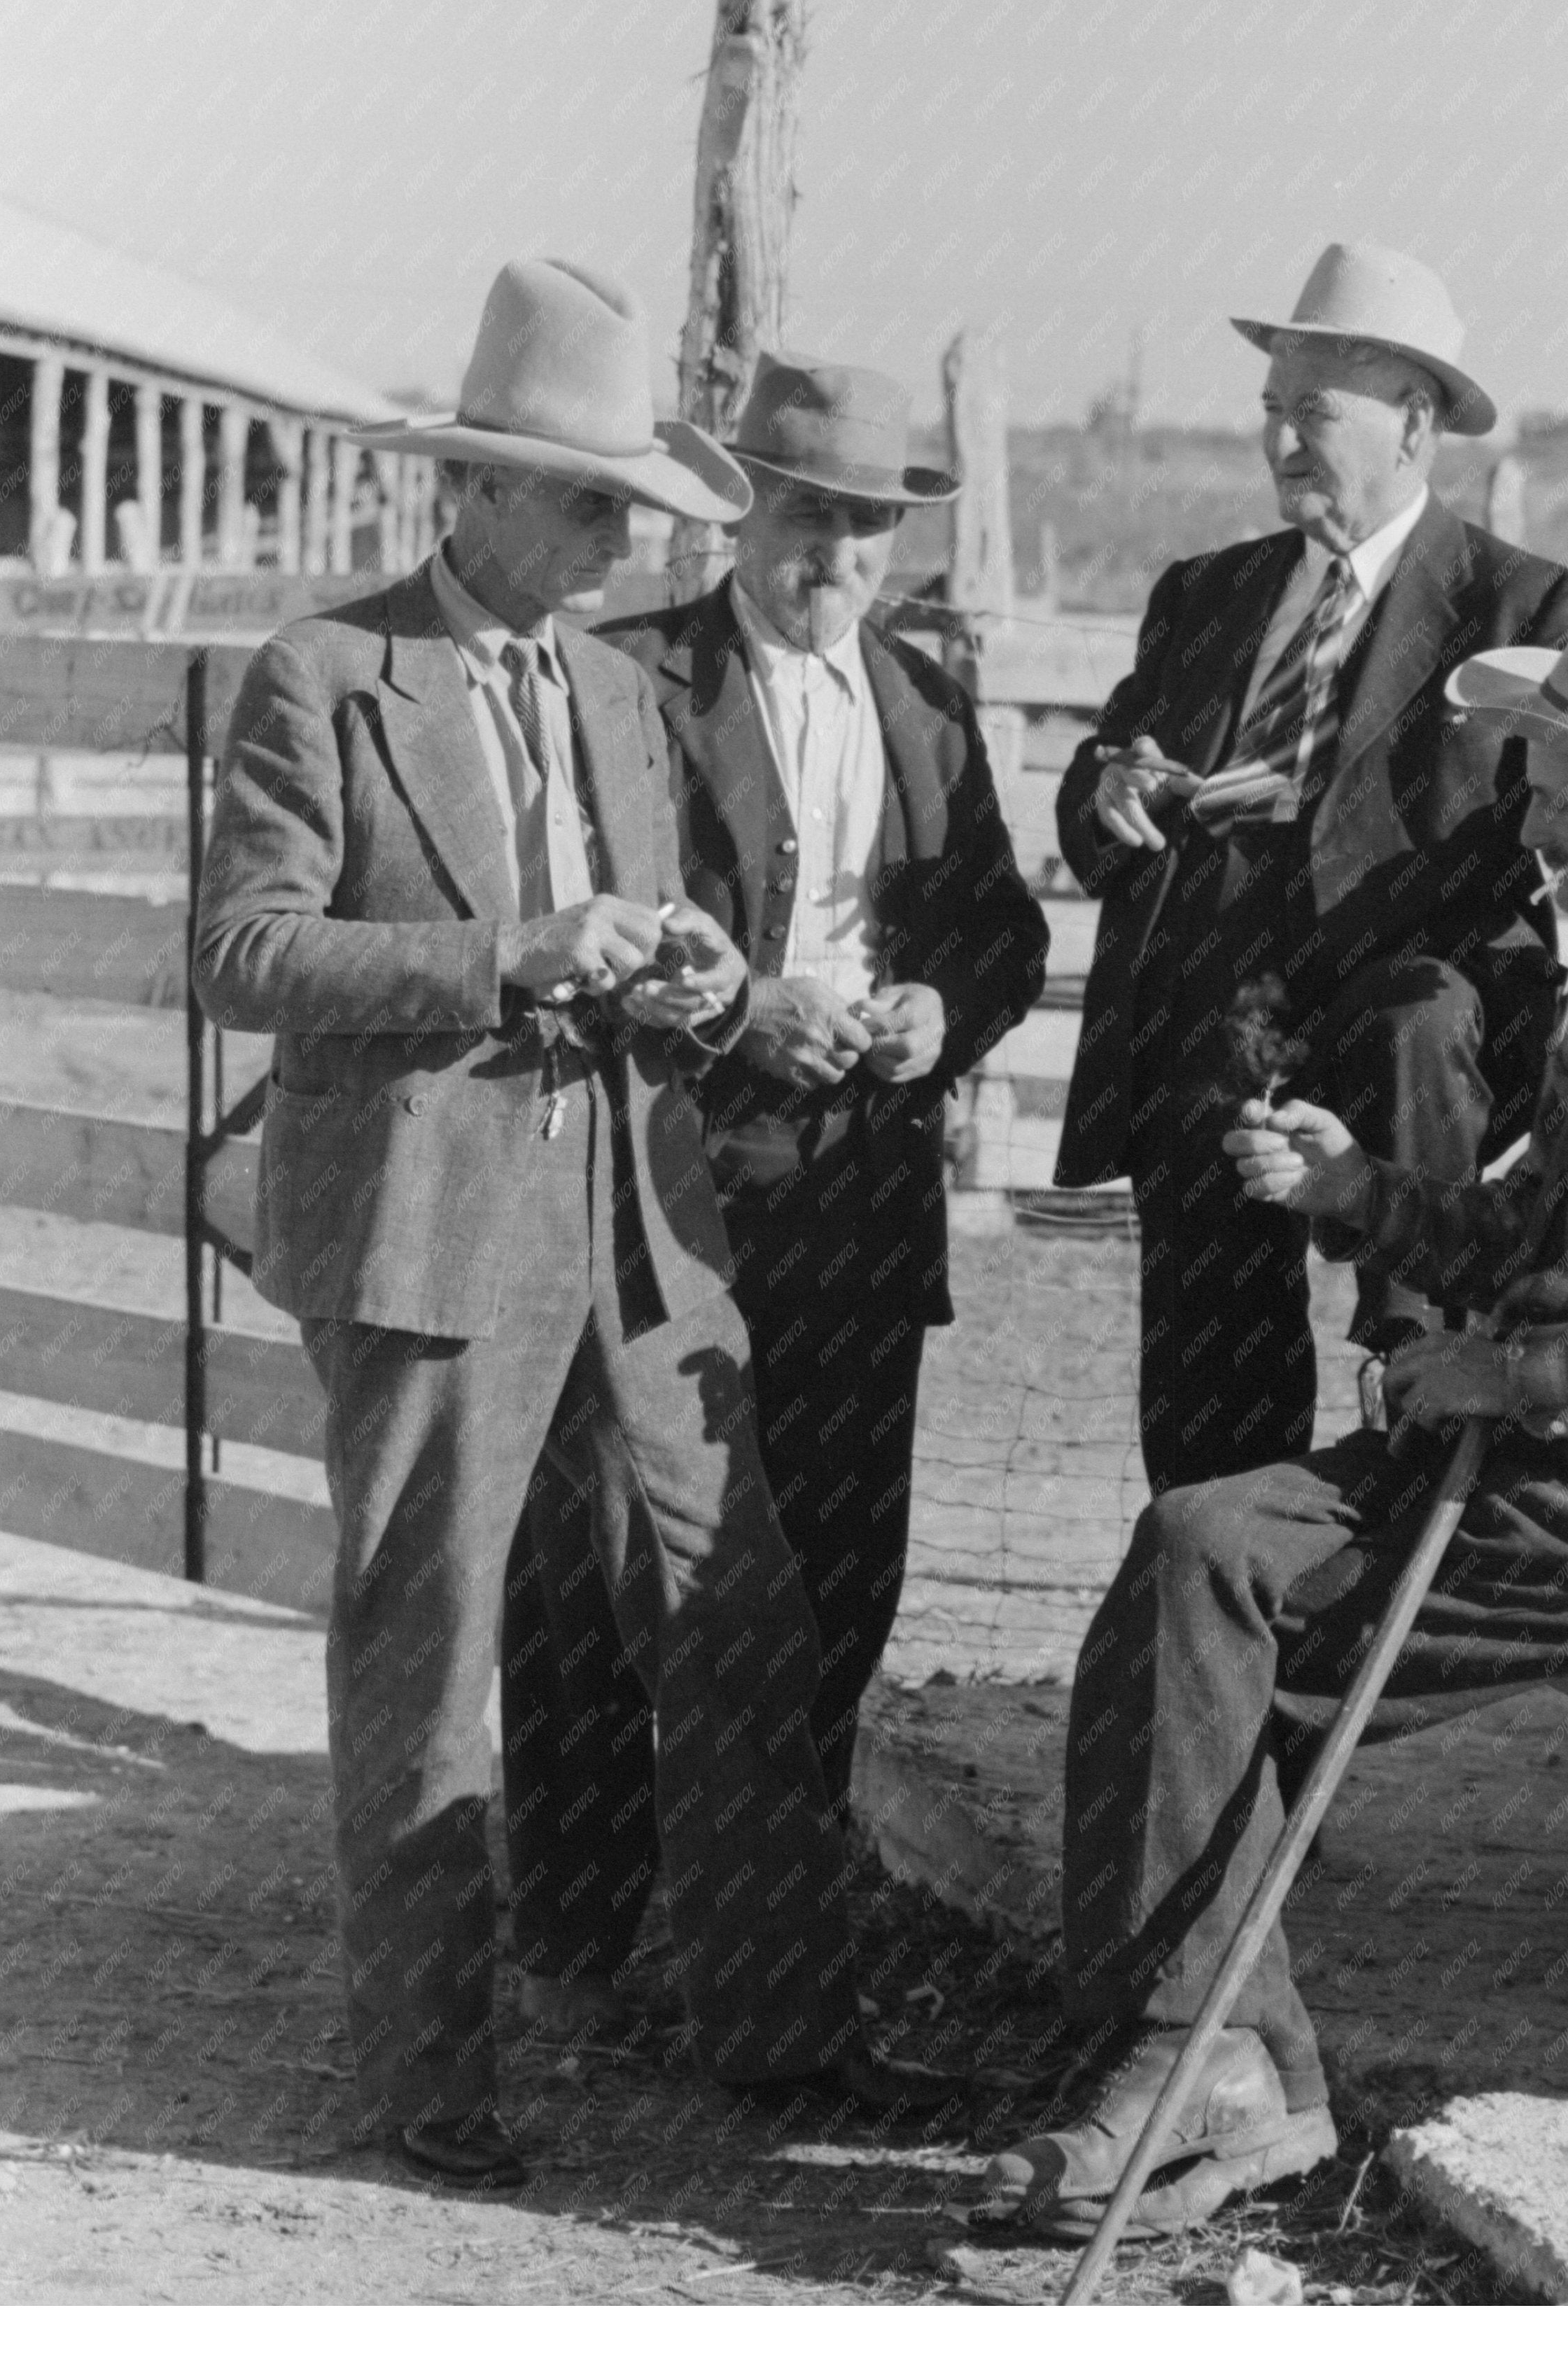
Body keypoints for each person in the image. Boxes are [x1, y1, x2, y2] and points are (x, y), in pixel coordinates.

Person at [194, 260, 939, 2192]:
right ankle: (427, 2079)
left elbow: (653, 940)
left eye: (635, 508)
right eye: (598, 501)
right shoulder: (326, 674)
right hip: (434, 1219)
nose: (628, 542)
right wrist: (509, 951)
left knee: (736, 1602)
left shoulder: (615, 688)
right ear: (488, 491)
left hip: (643, 1215)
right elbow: (247, 951)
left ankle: (782, 2030)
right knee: (429, 1641)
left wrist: (702, 986)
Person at [980, 576, 1568, 2240]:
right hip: (1526, 1451)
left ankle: (1202, 2058)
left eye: (1563, 776)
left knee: (1214, 1598)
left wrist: (1503, 1372)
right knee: (1185, 1554)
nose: (1527, 806)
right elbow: (1531, 1232)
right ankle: (1213, 2053)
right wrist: (1365, 1185)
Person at [503, 354, 1049, 2025]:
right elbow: (575, 913)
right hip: (670, 1187)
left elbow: (1002, 933)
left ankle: (766, 1942)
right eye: (812, 517)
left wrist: (936, 1012)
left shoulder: (925, 709)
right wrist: (744, 1008)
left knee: (838, 1560)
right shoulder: (631, 684)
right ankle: (580, 1941)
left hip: (858, 1202)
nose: (840, 557)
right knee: (610, 1562)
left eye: (871, 528)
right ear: (743, 512)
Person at [1055, 242, 1568, 1495]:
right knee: (1207, 1410)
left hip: (1409, 1046)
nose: (1283, 443)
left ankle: (1413, 1384)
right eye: (1271, 413)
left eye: (1316, 412)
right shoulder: (1202, 596)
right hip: (1219, 1036)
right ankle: (1223, 1608)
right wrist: (1113, 788)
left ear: (1414, 425)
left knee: (1419, 1027)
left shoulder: (1525, 611)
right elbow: (1100, 807)